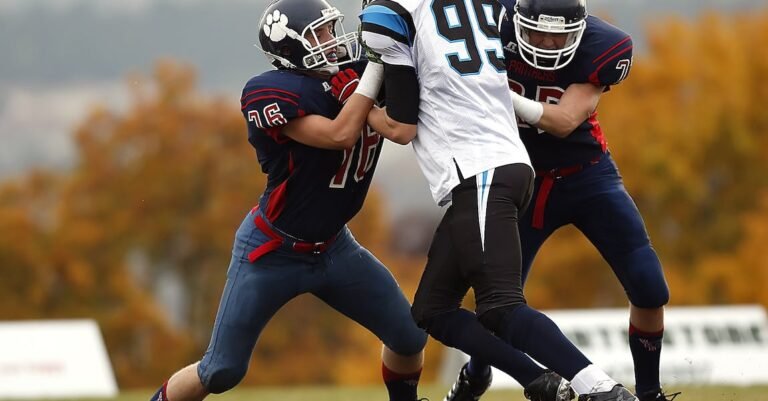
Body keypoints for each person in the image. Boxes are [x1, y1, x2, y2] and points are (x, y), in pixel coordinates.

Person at [147, 0, 428, 400]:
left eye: (332, 30)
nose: (333, 41)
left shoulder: (356, 73)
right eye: (321, 34)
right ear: (290, 46)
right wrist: (376, 71)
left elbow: (402, 122)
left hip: (334, 247)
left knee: (409, 335)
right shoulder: (273, 91)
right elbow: (338, 135)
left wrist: (395, 49)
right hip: (273, 251)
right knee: (221, 370)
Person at [360, 1, 638, 401]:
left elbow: (402, 128)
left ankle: (603, 391)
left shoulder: (393, 11)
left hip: (480, 169)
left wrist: (357, 99)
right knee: (433, 311)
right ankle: (540, 382)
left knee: (501, 306)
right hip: (497, 167)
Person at [448, 0, 678, 401]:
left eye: (559, 34)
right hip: (518, 181)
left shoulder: (604, 47)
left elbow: (563, 121)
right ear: (516, 21)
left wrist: (490, 91)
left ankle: (650, 392)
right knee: (497, 304)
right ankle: (475, 373)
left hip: (587, 177)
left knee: (649, 286)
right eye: (537, 32)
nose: (547, 43)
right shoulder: (487, 25)